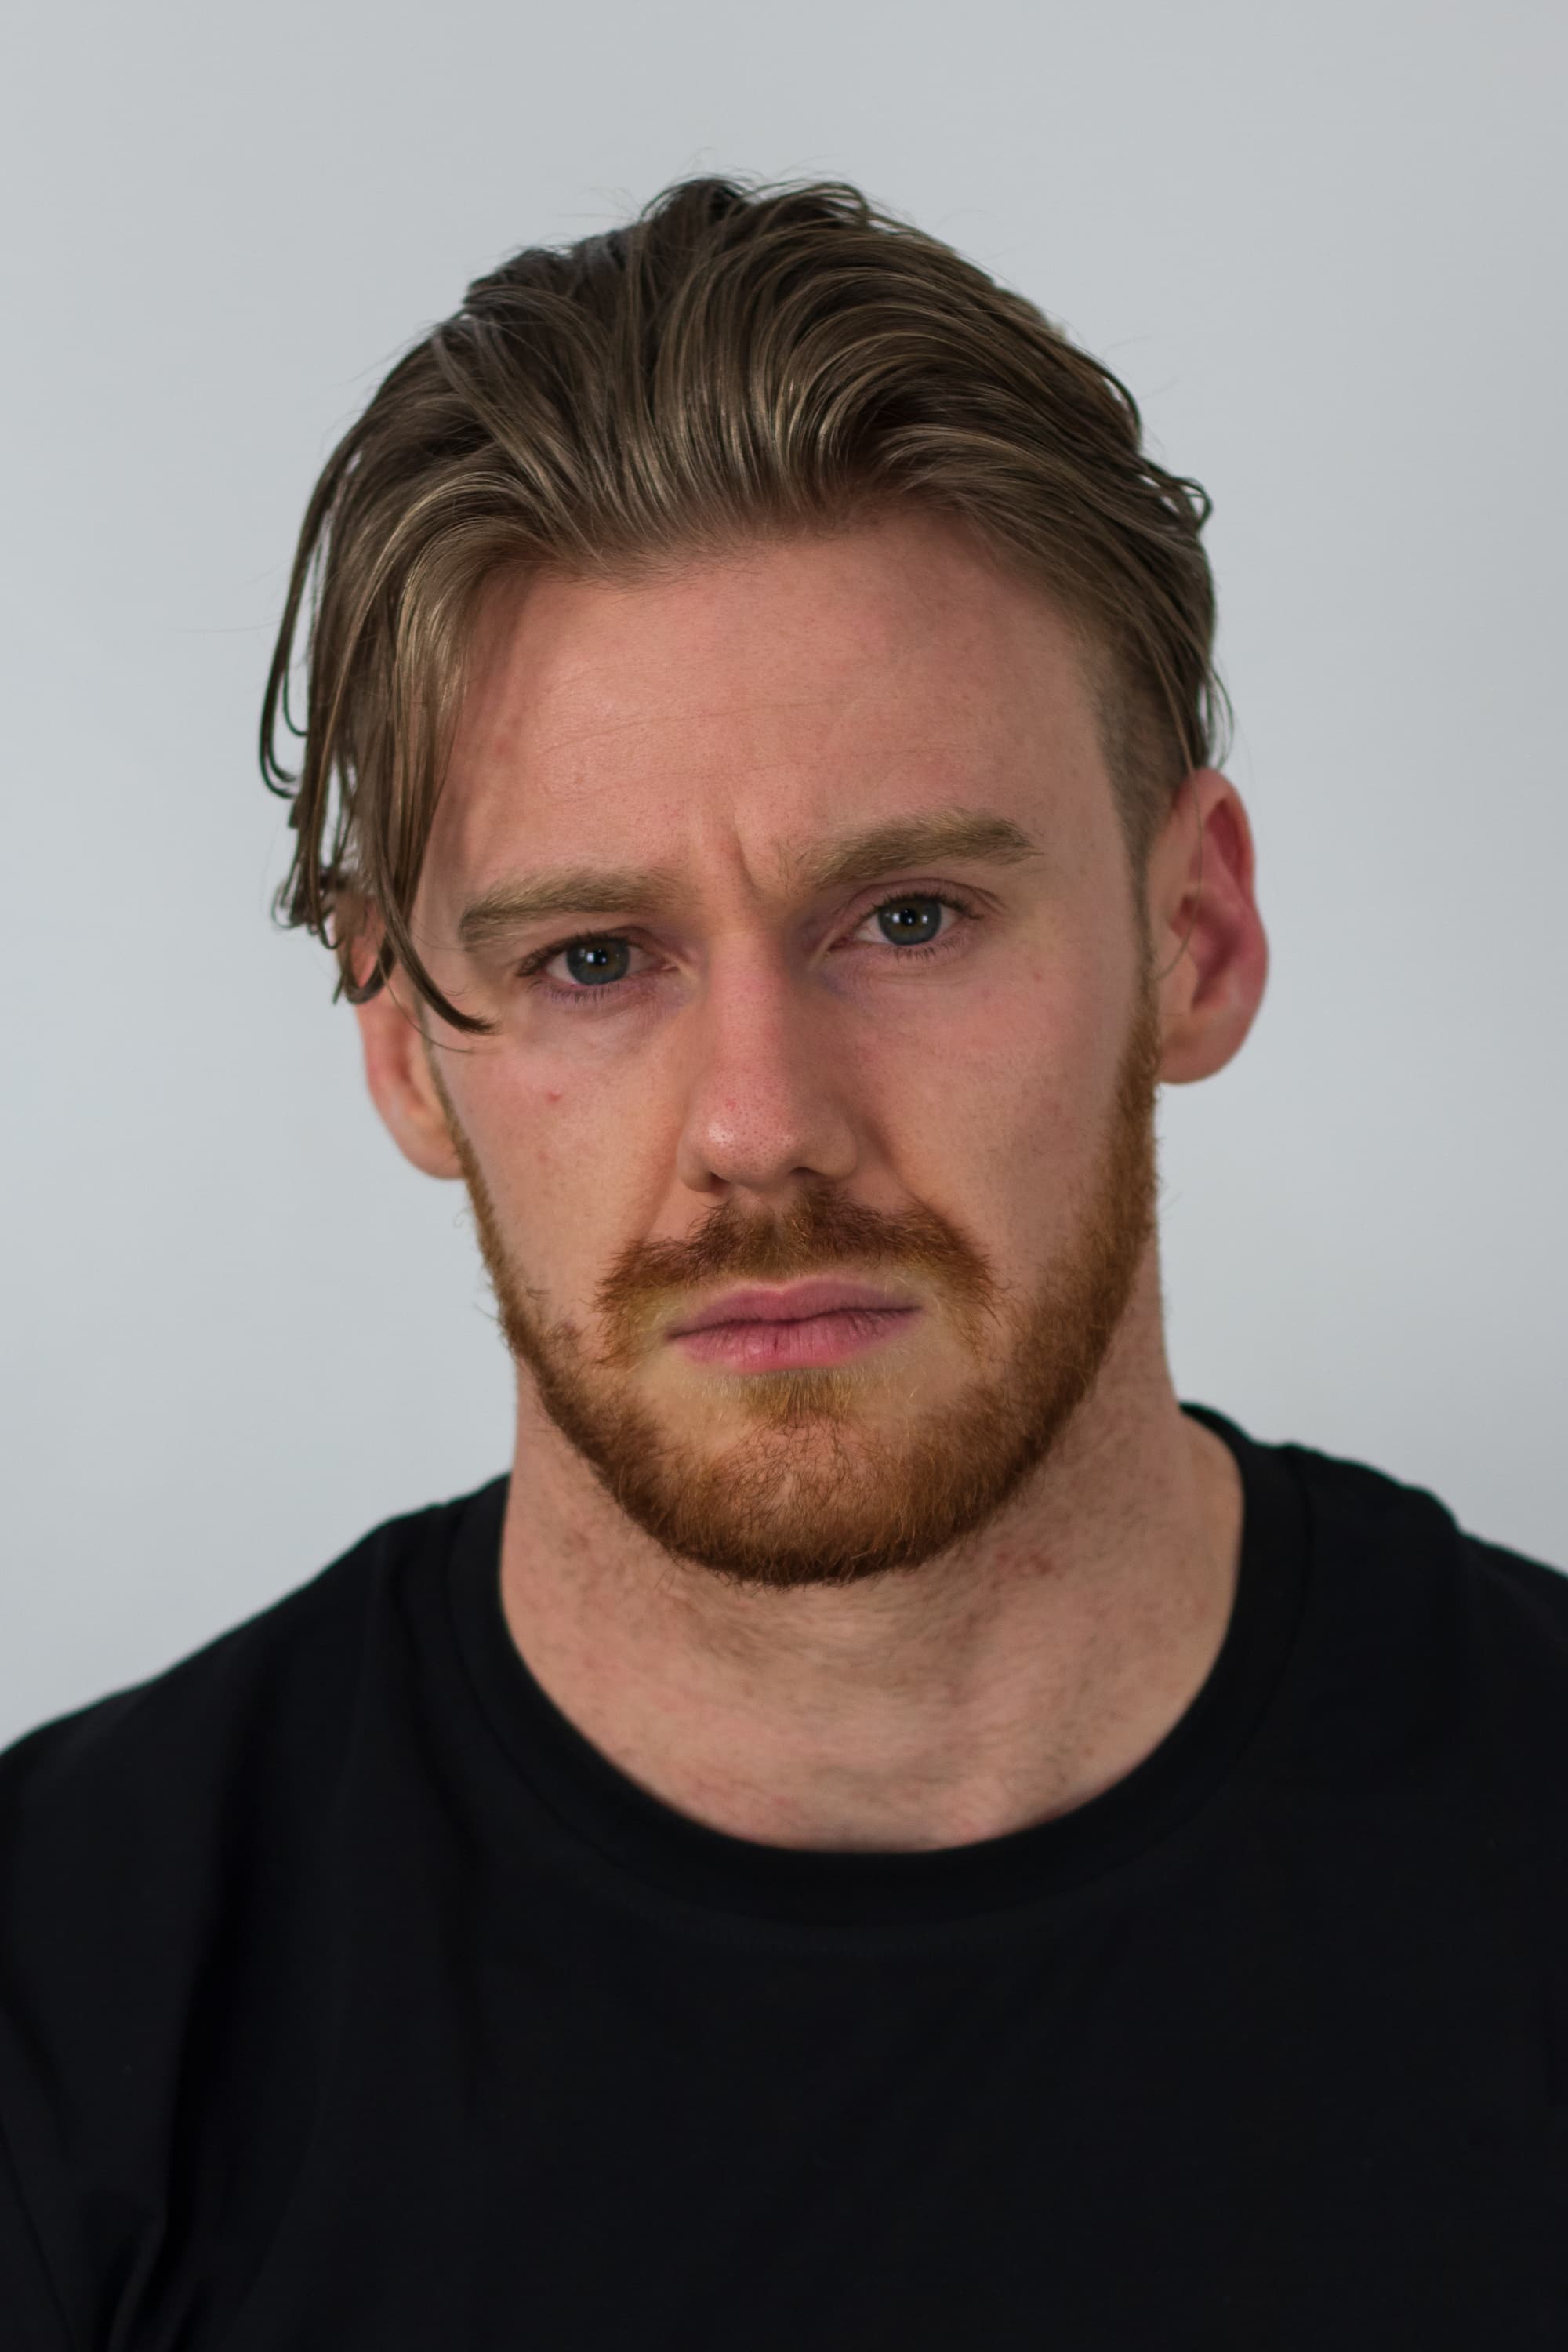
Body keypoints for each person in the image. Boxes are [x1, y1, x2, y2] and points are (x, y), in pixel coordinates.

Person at [2, 175, 1564, 2352]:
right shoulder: (66, 2005)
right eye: (593, 957)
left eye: (909, 919)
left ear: (1195, 935)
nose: (760, 1126)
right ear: (403, 1043)